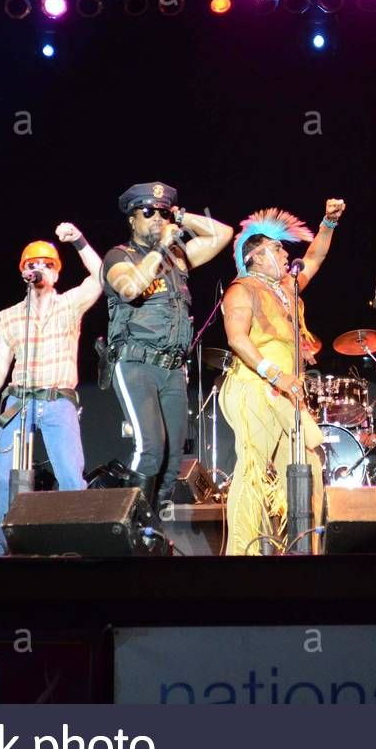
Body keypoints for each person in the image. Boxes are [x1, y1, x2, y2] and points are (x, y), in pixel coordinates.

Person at [220, 201, 345, 555]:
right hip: (254, 387)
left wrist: (328, 223)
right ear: (256, 257)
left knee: (309, 467)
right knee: (253, 471)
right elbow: (237, 339)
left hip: (284, 392)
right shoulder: (241, 289)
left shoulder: (287, 288)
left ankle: (304, 550)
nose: (285, 253)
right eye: (276, 248)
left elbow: (315, 257)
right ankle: (241, 555)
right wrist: (276, 375)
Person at [102, 183, 233, 513]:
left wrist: (182, 217)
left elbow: (223, 234)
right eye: (148, 212)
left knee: (174, 457)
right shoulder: (120, 256)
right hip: (136, 364)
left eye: (163, 212)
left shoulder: (178, 259)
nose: (157, 218)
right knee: (150, 449)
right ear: (132, 219)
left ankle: (152, 528)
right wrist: (160, 248)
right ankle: (127, 524)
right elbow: (129, 289)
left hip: (172, 369)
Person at [0, 224, 103, 555]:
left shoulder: (70, 303)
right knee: (4, 480)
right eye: (32, 264)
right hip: (18, 400)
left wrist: (79, 241)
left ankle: (75, 547)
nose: (39, 268)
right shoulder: (10, 317)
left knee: (70, 476)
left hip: (57, 399)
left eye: (47, 264)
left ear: (56, 273)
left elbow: (102, 276)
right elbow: (1, 363)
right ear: (24, 272)